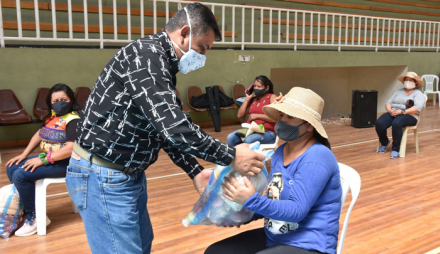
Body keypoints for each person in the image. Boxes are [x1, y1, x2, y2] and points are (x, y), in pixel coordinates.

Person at [66, 3, 265, 254]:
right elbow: (173, 127)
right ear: (184, 33)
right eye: (202, 47)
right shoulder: (146, 57)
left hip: (128, 175)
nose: (202, 57)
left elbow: (160, 129)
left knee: (140, 247)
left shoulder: (161, 63)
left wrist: (194, 171)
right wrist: (232, 156)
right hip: (104, 175)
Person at [205, 87, 342, 254]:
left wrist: (251, 200)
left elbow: (296, 210)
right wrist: (241, 213)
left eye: (290, 117)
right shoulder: (280, 152)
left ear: (309, 126)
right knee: (214, 251)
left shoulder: (317, 157)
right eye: (281, 115)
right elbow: (274, 198)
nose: (282, 121)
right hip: (276, 237)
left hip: (309, 245)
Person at [5, 83, 81, 236]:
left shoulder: (74, 119)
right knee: (12, 167)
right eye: (55, 100)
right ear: (50, 103)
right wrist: (24, 154)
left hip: (67, 163)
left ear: (71, 100)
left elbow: (70, 149)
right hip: (48, 158)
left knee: (20, 175)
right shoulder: (52, 115)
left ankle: (35, 217)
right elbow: (40, 133)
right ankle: (29, 209)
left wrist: (43, 160)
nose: (59, 103)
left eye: (63, 99)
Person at [375, 72, 426, 159]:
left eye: (410, 80)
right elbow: (388, 103)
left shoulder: (418, 94)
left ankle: (396, 148)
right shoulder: (398, 92)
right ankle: (384, 142)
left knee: (397, 123)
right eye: (406, 80)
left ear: (416, 82)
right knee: (379, 123)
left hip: (410, 115)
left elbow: (417, 108)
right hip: (394, 112)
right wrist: (390, 110)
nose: (408, 82)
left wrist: (402, 112)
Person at [226, 75, 278, 147]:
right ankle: (233, 157)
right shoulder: (253, 100)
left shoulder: (271, 97)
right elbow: (239, 115)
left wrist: (256, 116)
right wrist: (247, 99)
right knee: (230, 138)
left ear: (267, 88)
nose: (256, 88)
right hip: (250, 130)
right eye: (254, 86)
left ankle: (247, 157)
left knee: (248, 140)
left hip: (267, 132)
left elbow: (277, 118)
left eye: (259, 86)